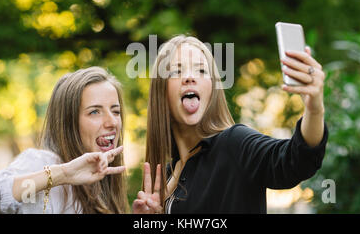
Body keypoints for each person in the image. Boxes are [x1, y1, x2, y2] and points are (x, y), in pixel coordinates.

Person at [133, 35, 328, 213]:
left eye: (201, 70)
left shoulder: (234, 144)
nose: (190, 77)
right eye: (176, 71)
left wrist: (314, 109)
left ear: (213, 88)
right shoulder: (165, 176)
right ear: (161, 92)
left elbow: (294, 160)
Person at [0, 66, 128, 214]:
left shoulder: (105, 178)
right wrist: (63, 174)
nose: (112, 122)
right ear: (68, 122)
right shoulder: (41, 162)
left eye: (115, 111)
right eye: (94, 112)